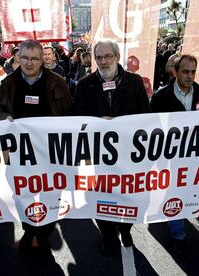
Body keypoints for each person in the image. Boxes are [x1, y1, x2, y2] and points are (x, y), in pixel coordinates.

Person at [0, 39, 72, 256]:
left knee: (51, 192)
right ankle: (29, 230)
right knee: (21, 193)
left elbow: (68, 114)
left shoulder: (58, 82)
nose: (29, 62)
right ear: (18, 58)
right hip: (19, 155)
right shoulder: (7, 83)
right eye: (25, 57)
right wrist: (4, 117)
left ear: (42, 60)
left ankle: (44, 232)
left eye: (34, 58)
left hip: (50, 153)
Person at [73, 40, 149, 254]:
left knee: (129, 194)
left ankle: (126, 228)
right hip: (97, 156)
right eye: (99, 57)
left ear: (117, 57)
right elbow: (76, 118)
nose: (103, 61)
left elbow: (145, 116)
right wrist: (98, 122)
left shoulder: (134, 82)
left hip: (128, 153)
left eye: (108, 56)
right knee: (99, 196)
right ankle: (107, 235)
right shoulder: (84, 84)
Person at [150, 55, 199, 255]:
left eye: (193, 72)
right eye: (185, 71)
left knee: (185, 190)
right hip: (168, 157)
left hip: (192, 156)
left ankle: (178, 216)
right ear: (175, 72)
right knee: (172, 192)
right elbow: (152, 127)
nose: (189, 76)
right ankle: (178, 235)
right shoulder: (161, 96)